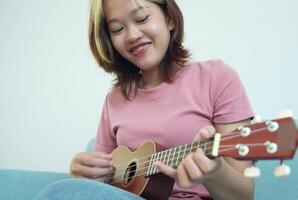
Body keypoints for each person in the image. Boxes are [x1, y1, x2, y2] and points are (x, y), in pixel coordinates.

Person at [37, 0, 255, 199]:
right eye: (117, 29)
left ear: (169, 18)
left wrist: (214, 172)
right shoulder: (113, 101)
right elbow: (104, 186)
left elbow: (244, 197)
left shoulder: (216, 78)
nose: (132, 35)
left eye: (142, 19)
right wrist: (84, 177)